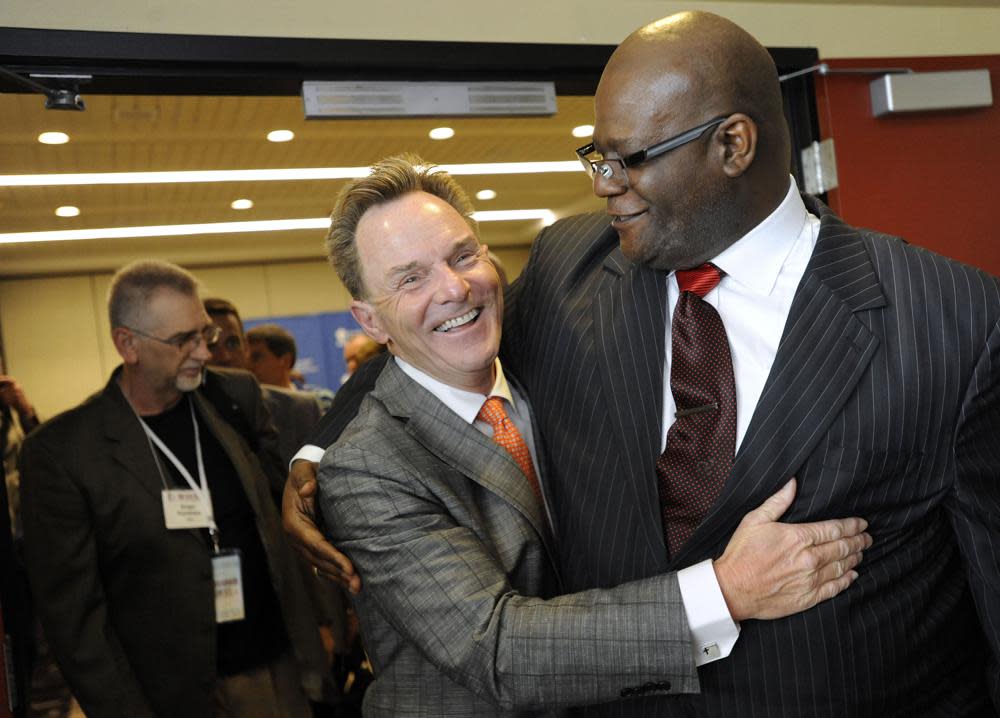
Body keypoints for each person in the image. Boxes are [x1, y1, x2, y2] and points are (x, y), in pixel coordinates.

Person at [288, 11, 1000, 716]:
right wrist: (318, 455)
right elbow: (438, 343)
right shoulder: (574, 264)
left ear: (732, 144)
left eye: (628, 159)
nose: (603, 183)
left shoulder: (950, 317)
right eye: (595, 156)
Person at [310, 155, 869, 715]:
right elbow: (497, 650)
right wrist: (727, 590)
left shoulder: (550, 358)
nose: (454, 288)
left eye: (462, 255)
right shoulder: (365, 469)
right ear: (370, 321)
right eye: (411, 279)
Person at [20, 261, 328, 718]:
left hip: (277, 670)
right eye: (183, 340)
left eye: (205, 335)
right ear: (128, 344)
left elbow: (285, 514)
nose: (204, 353)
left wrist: (323, 622)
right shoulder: (64, 453)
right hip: (170, 693)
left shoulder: (234, 398)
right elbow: (75, 619)